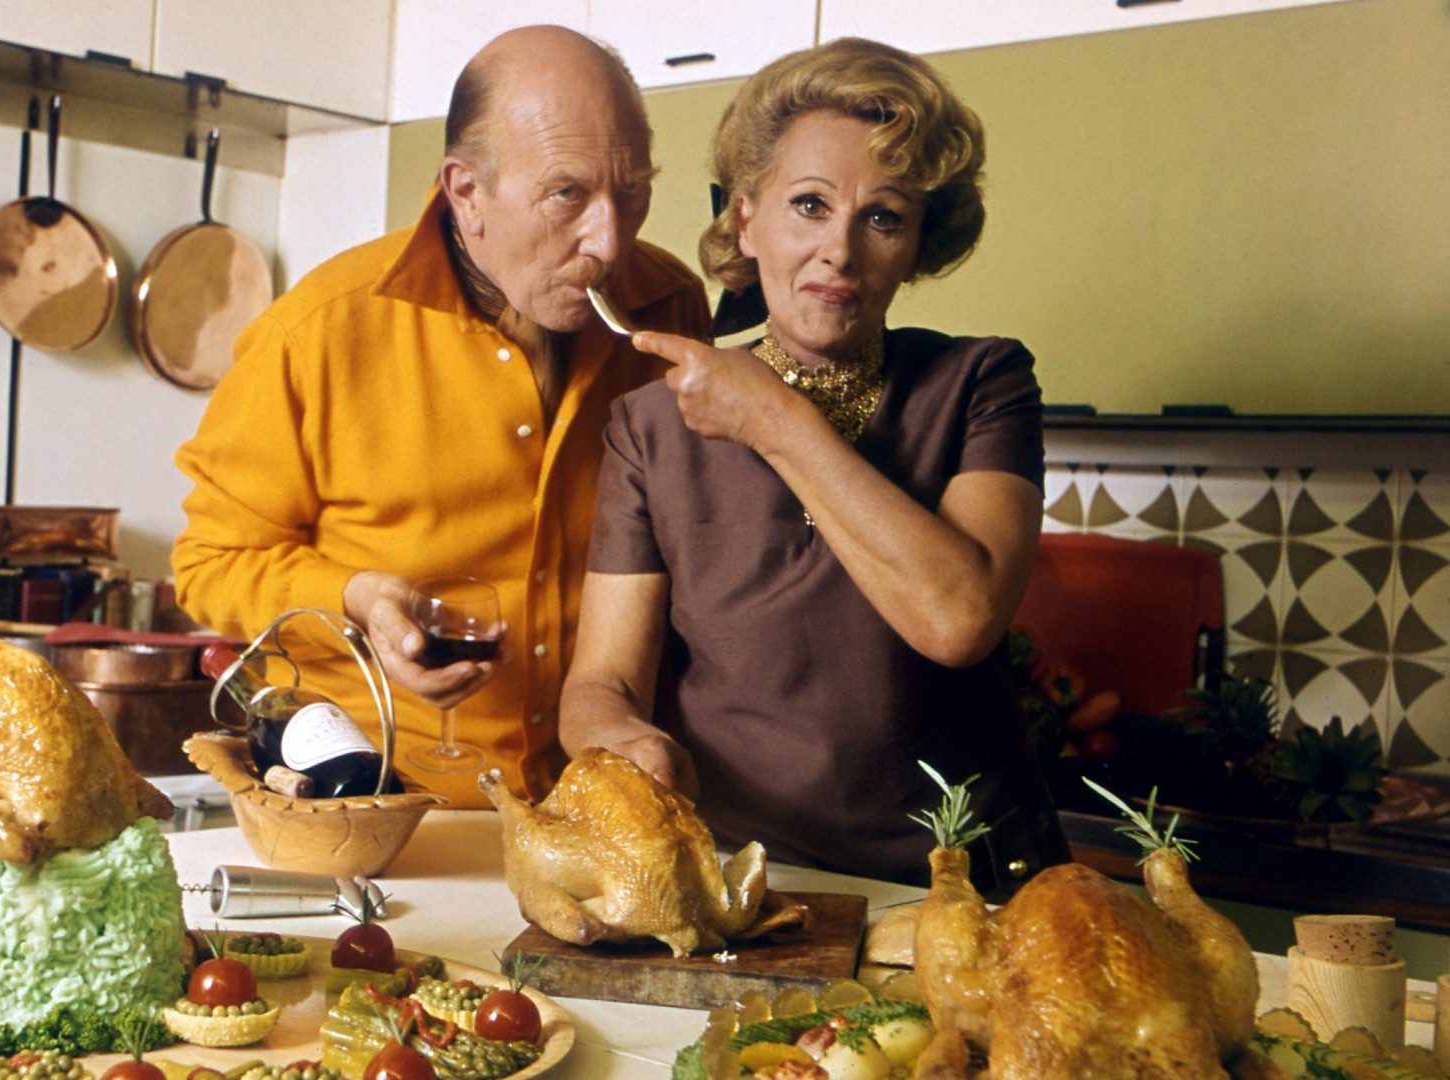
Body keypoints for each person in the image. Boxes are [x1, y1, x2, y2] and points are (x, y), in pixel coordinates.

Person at [559, 38, 1068, 890]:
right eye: (808, 206)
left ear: (917, 245)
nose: (840, 251)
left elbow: (960, 618)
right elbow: (601, 681)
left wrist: (774, 419)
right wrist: (625, 739)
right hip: (750, 881)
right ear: (746, 219)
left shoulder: (982, 380)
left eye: (883, 217)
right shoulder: (650, 426)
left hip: (965, 880)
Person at [173, 26, 711, 805]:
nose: (611, 240)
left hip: (604, 811)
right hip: (380, 806)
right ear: (467, 193)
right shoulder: (320, 329)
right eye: (568, 194)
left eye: (631, 192)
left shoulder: (670, 304)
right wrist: (354, 596)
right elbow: (210, 563)